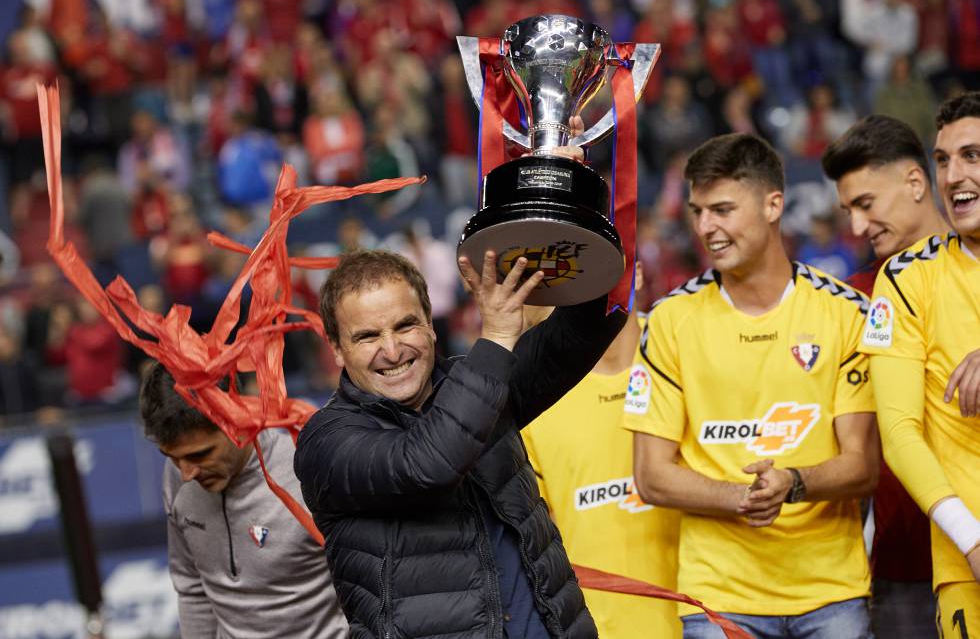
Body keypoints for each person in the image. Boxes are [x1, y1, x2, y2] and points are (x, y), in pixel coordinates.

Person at [294, 248, 625, 638]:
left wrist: (572, 240)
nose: (393, 350)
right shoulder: (326, 441)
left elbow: (586, 327)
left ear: (432, 324)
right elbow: (428, 463)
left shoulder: (479, 382)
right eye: (368, 336)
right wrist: (499, 336)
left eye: (405, 325)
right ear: (336, 349)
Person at [624, 133, 878, 638]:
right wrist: (743, 496)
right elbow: (651, 475)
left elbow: (863, 466)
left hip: (830, 591)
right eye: (698, 211)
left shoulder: (846, 312)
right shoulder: (671, 321)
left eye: (721, 209)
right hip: (717, 598)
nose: (705, 228)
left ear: (772, 204)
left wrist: (793, 484)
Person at [821, 114, 949, 636]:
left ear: (915, 182)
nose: (855, 226)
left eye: (866, 205)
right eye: (848, 210)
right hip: (904, 567)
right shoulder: (852, 298)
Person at [859, 92, 980, 637]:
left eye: (973, 155)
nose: (954, 175)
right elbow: (901, 432)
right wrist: (970, 539)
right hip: (967, 564)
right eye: (944, 159)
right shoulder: (906, 280)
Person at [521, 265, 683, 639]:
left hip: (704, 621)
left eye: (595, 270)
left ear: (637, 273)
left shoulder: (687, 369)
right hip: (596, 628)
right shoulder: (535, 405)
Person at [138, 361, 348, 638]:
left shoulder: (307, 471)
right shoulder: (177, 475)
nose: (187, 474)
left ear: (238, 420)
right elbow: (191, 585)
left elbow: (368, 586)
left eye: (201, 454)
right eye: (172, 457)